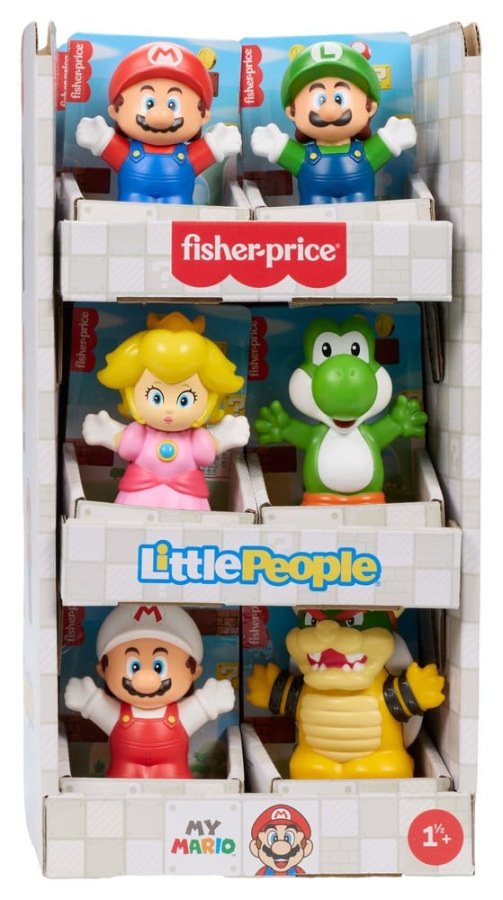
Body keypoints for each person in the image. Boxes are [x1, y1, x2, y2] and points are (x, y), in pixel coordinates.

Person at [83, 311, 250, 509]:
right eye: (156, 397)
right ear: (131, 393)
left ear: (210, 399)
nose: (169, 409)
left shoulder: (195, 438)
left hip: (186, 499)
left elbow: (205, 454)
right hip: (139, 497)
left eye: (184, 400)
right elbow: (127, 448)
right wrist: (106, 432)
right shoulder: (139, 433)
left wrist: (225, 436)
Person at [64, 603, 235, 778]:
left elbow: (202, 707)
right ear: (103, 670)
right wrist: (88, 700)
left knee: (176, 790)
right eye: (134, 667)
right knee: (119, 790)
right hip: (124, 770)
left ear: (193, 672)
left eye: (158, 667)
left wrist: (210, 701)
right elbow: (96, 707)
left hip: (172, 771)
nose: (145, 679)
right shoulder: (115, 714)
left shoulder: (181, 715)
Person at [251, 41, 416, 204]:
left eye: (339, 98)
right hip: (314, 211)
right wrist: (276, 145)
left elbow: (384, 146)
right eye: (320, 99)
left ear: (369, 107)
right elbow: (283, 151)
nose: (329, 110)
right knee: (316, 215)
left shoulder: (365, 153)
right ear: (292, 112)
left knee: (360, 212)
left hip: (361, 209)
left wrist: (391, 138)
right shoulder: (304, 157)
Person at [76, 41, 241, 203]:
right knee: (132, 210)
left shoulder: (188, 157)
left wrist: (218, 144)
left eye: (172, 105)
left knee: (177, 213)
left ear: (203, 115)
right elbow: (106, 144)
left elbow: (209, 150)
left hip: (179, 208)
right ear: (115, 111)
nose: (161, 115)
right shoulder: (126, 153)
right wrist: (99, 138)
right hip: (132, 205)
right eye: (149, 103)